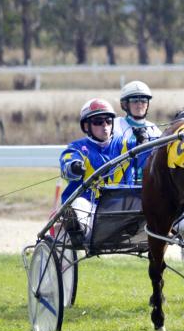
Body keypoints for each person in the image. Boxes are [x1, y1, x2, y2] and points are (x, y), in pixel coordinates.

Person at [58, 99, 134, 238]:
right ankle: (82, 233)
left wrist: (145, 141)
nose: (105, 125)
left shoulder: (125, 144)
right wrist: (73, 167)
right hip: (89, 208)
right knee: (79, 203)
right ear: (86, 126)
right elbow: (67, 162)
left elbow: (149, 154)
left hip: (119, 208)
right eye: (98, 122)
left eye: (108, 121)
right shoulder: (77, 148)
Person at [113, 81, 161, 183]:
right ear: (125, 105)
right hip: (123, 185)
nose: (139, 105)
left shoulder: (154, 129)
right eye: (134, 101)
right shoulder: (115, 125)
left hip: (149, 184)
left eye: (143, 101)